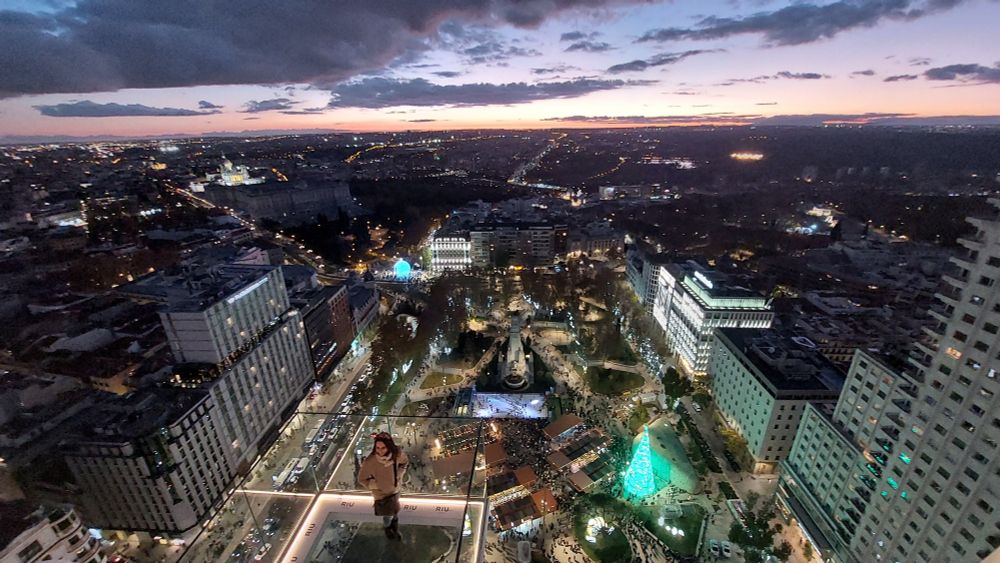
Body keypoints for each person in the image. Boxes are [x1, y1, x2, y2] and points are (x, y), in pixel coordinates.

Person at [358, 432, 409, 540]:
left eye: (383, 447)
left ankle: (394, 528)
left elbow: (404, 462)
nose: (380, 451)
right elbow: (362, 479)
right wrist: (377, 485)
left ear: (389, 446)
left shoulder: (396, 454)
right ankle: (388, 529)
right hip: (382, 495)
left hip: (395, 489)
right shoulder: (370, 461)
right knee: (387, 514)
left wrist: (399, 474)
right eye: (377, 448)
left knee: (395, 510)